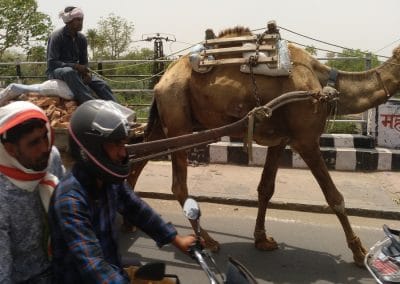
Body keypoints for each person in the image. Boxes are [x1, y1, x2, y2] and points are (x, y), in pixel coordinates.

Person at [48, 100, 196, 283]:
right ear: (91, 147)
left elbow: (137, 209)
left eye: (123, 144)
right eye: (116, 145)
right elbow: (93, 266)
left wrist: (176, 239)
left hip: (112, 269)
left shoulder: (108, 182)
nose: (123, 153)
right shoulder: (71, 200)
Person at [0, 101, 64, 283]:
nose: (45, 147)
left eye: (45, 136)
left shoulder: (51, 159)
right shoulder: (2, 197)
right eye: (33, 143)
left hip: (60, 266)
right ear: (10, 149)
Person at [46, 6, 117, 104]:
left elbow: (84, 62)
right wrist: (75, 66)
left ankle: (117, 109)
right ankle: (90, 103)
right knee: (68, 71)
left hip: (75, 72)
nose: (81, 22)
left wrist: (85, 73)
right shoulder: (57, 36)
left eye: (81, 20)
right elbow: (52, 62)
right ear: (69, 21)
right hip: (57, 71)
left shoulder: (82, 39)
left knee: (101, 84)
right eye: (78, 20)